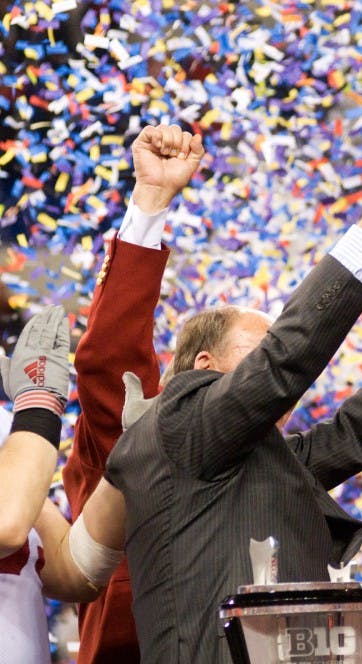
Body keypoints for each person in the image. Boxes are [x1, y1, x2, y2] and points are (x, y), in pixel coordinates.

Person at [93, 125, 362, 664]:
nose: (272, 358)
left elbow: (353, 434)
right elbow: (288, 356)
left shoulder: (249, 460)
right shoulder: (184, 425)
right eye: (256, 350)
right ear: (204, 366)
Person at [60, 122, 198, 664]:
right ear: (206, 365)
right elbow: (109, 355)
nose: (271, 374)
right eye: (257, 356)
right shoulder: (140, 433)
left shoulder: (265, 460)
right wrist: (151, 203)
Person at [0, 304, 74, 663]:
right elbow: (6, 527)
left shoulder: (5, 428)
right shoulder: (22, 425)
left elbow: (72, 574)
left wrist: (134, 451)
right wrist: (39, 405)